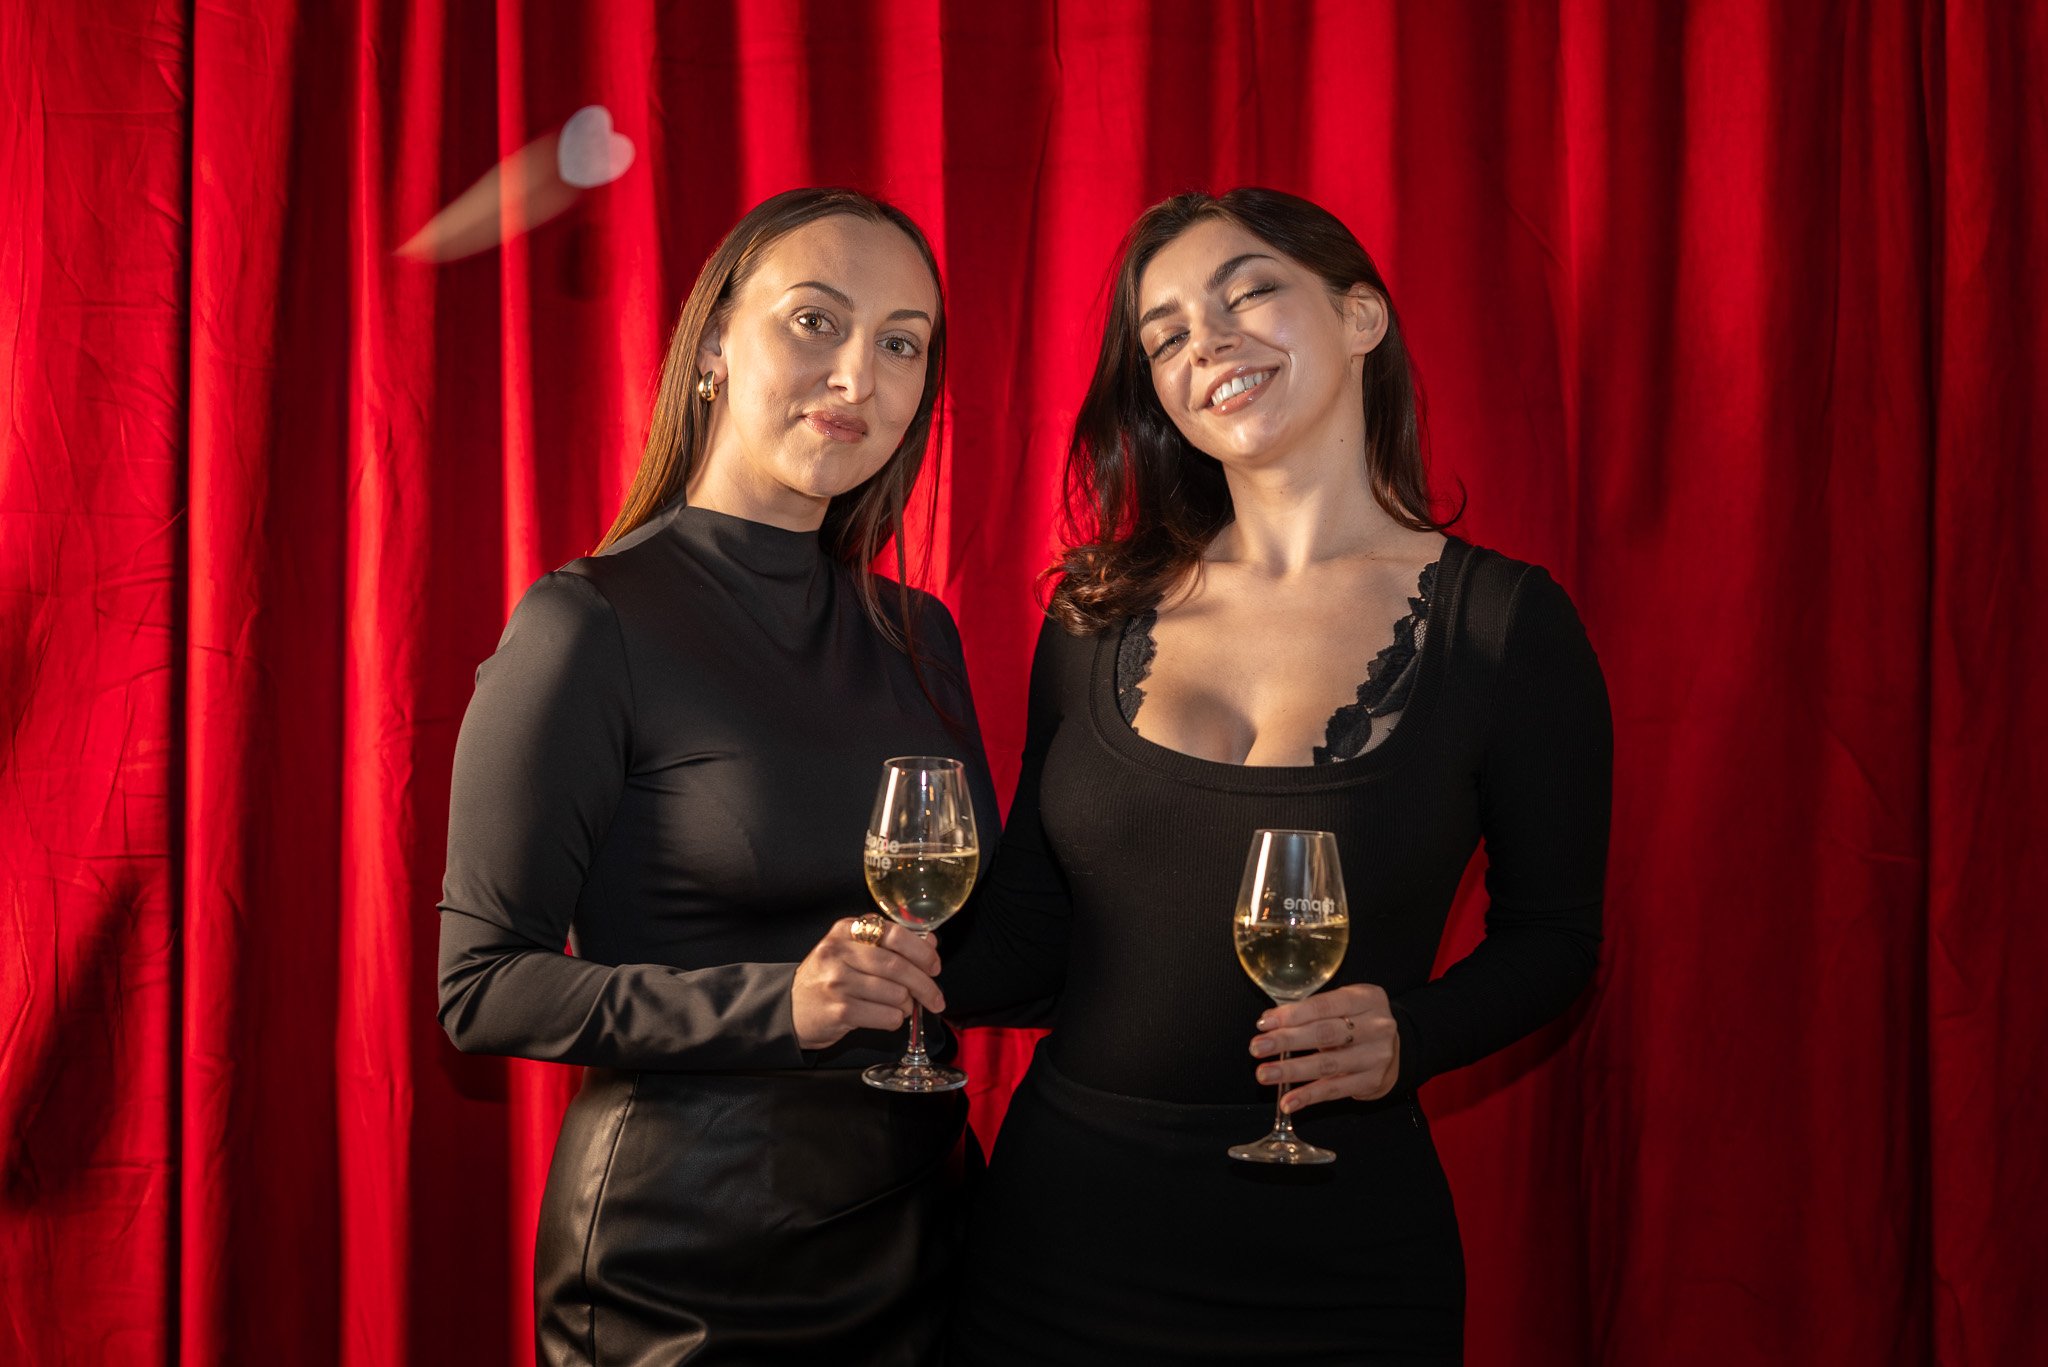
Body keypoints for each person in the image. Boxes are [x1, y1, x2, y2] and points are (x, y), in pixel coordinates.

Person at [940, 188, 1613, 1364]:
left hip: (1340, 1255)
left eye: (1246, 289)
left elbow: (1554, 938)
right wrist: (859, 955)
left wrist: (1412, 1031)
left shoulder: (1504, 624)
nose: (1205, 341)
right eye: (1162, 334)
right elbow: (1032, 942)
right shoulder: (1091, 611)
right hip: (1060, 1238)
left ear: (1361, 318)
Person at [435, 187, 999, 1367]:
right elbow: (480, 987)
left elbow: (981, 945)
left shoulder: (919, 632)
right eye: (815, 321)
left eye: (901, 342)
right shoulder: (587, 621)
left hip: (931, 1237)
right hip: (690, 1266)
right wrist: (775, 1003)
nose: (858, 373)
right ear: (711, 349)